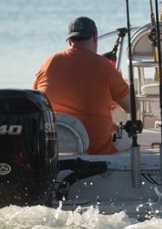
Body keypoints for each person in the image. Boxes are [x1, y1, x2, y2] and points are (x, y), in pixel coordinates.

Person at [33, 16, 131, 155]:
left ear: (70, 41)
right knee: (130, 134)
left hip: (54, 147)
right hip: (97, 149)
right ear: (95, 37)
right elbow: (132, 107)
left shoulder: (49, 62)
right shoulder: (105, 66)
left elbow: (37, 100)